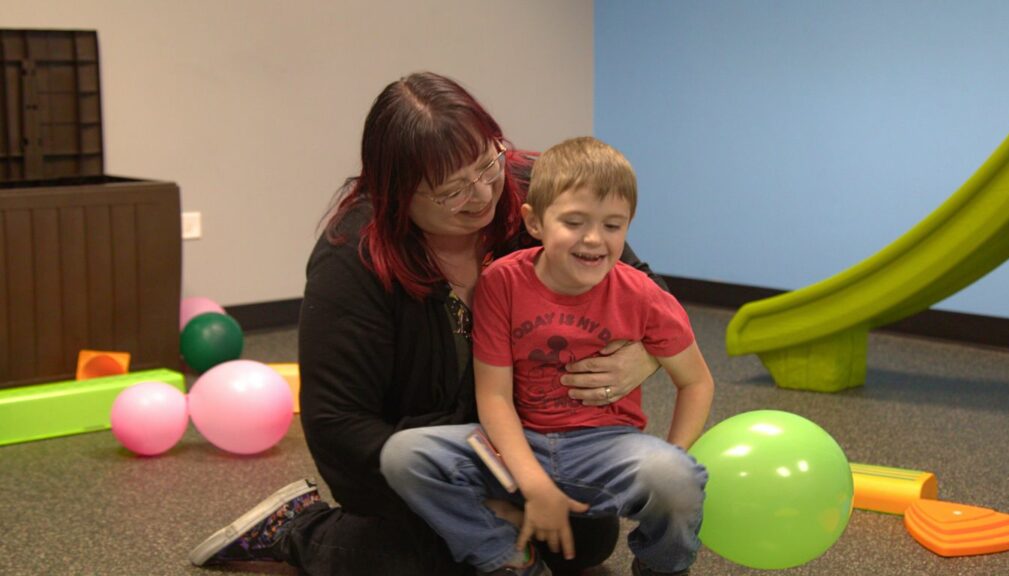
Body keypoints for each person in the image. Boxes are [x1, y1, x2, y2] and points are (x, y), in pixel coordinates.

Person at [188, 73, 670, 575]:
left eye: (488, 163)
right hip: (431, 458)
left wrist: (647, 353)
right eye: (450, 191)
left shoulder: (537, 191)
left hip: (541, 439)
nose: (482, 194)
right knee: (435, 559)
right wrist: (471, 496)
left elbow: (649, 293)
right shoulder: (352, 260)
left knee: (585, 546)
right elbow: (339, 427)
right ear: (396, 194)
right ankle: (299, 530)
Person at [380, 136, 715, 576]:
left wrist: (674, 457)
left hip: (606, 449)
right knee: (405, 455)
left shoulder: (644, 296)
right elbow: (495, 397)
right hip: (516, 444)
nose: (594, 239)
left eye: (613, 226)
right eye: (574, 222)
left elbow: (697, 381)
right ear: (534, 222)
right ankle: (508, 558)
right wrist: (534, 483)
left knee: (680, 478)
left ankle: (660, 569)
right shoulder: (502, 282)